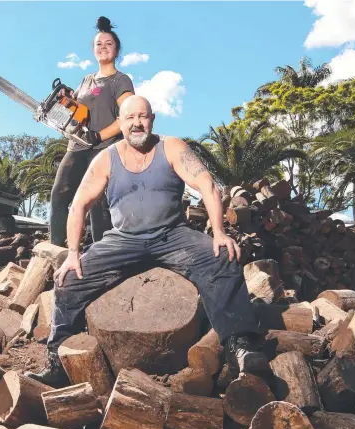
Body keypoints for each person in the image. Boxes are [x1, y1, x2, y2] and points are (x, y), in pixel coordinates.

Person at [29, 95, 270, 386]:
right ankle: (58, 362)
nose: (136, 123)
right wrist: (72, 252)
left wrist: (219, 232)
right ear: (120, 123)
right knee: (69, 279)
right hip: (123, 240)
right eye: (130, 118)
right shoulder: (106, 157)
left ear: (152, 119)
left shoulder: (171, 147)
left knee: (222, 257)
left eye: (142, 116)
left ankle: (239, 346)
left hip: (172, 236)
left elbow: (206, 183)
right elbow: (79, 204)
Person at [50, 16, 135, 247]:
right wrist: (65, 99)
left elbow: (126, 117)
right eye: (99, 44)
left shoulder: (121, 80)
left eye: (108, 43)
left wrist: (99, 135)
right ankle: (56, 248)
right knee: (58, 196)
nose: (103, 47)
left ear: (116, 50)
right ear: (93, 50)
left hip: (104, 147)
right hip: (77, 146)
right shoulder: (86, 80)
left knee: (99, 203)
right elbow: (76, 109)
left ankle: (101, 253)